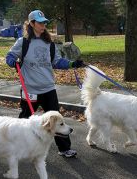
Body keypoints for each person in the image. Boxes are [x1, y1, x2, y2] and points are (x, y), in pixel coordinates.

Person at [6, 9, 84, 158]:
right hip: (30, 90)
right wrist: (12, 61)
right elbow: (10, 55)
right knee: (24, 119)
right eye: (40, 23)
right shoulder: (23, 43)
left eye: (44, 23)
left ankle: (64, 149)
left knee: (57, 120)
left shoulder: (50, 44)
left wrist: (72, 64)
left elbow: (57, 62)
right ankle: (16, 146)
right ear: (32, 23)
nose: (43, 25)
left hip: (48, 89)